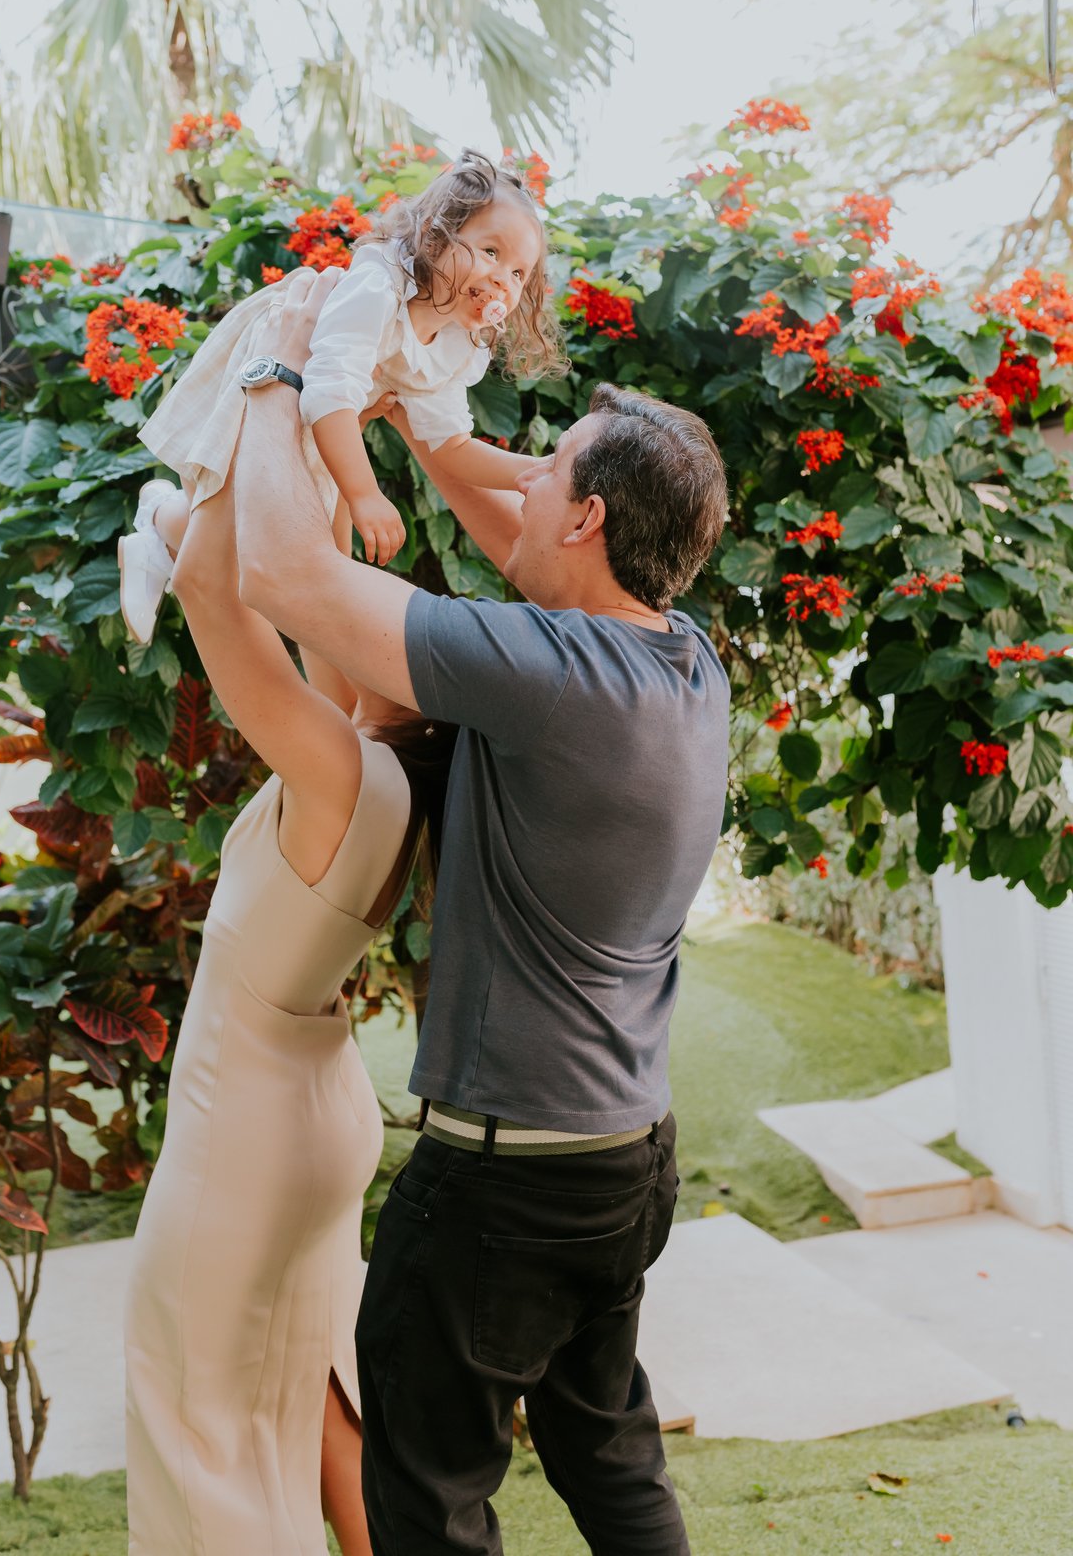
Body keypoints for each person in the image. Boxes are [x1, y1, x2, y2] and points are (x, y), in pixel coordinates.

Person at [231, 265, 731, 1556]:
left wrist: (289, 376)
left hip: (504, 1194)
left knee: (428, 1499)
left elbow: (284, 572)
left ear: (589, 521)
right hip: (623, 1164)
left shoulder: (549, 677)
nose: (524, 474)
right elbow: (485, 493)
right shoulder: (684, 663)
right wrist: (404, 416)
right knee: (610, 1459)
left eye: (548, 467)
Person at [123, 434, 455, 1556]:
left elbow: (227, 599)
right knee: (315, 1396)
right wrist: (310, 485)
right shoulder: (390, 780)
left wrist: (245, 424)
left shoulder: (337, 769)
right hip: (313, 1115)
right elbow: (295, 608)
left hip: (247, 1132)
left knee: (201, 1429)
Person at [118, 151, 565, 643]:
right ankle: (160, 518)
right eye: (492, 252)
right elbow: (329, 392)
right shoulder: (380, 287)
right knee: (234, 536)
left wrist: (542, 472)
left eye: (521, 273)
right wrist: (364, 495)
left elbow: (451, 447)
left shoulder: (457, 344)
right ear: (436, 235)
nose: (505, 279)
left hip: (323, 422)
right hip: (272, 380)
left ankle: (157, 529)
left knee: (288, 555)